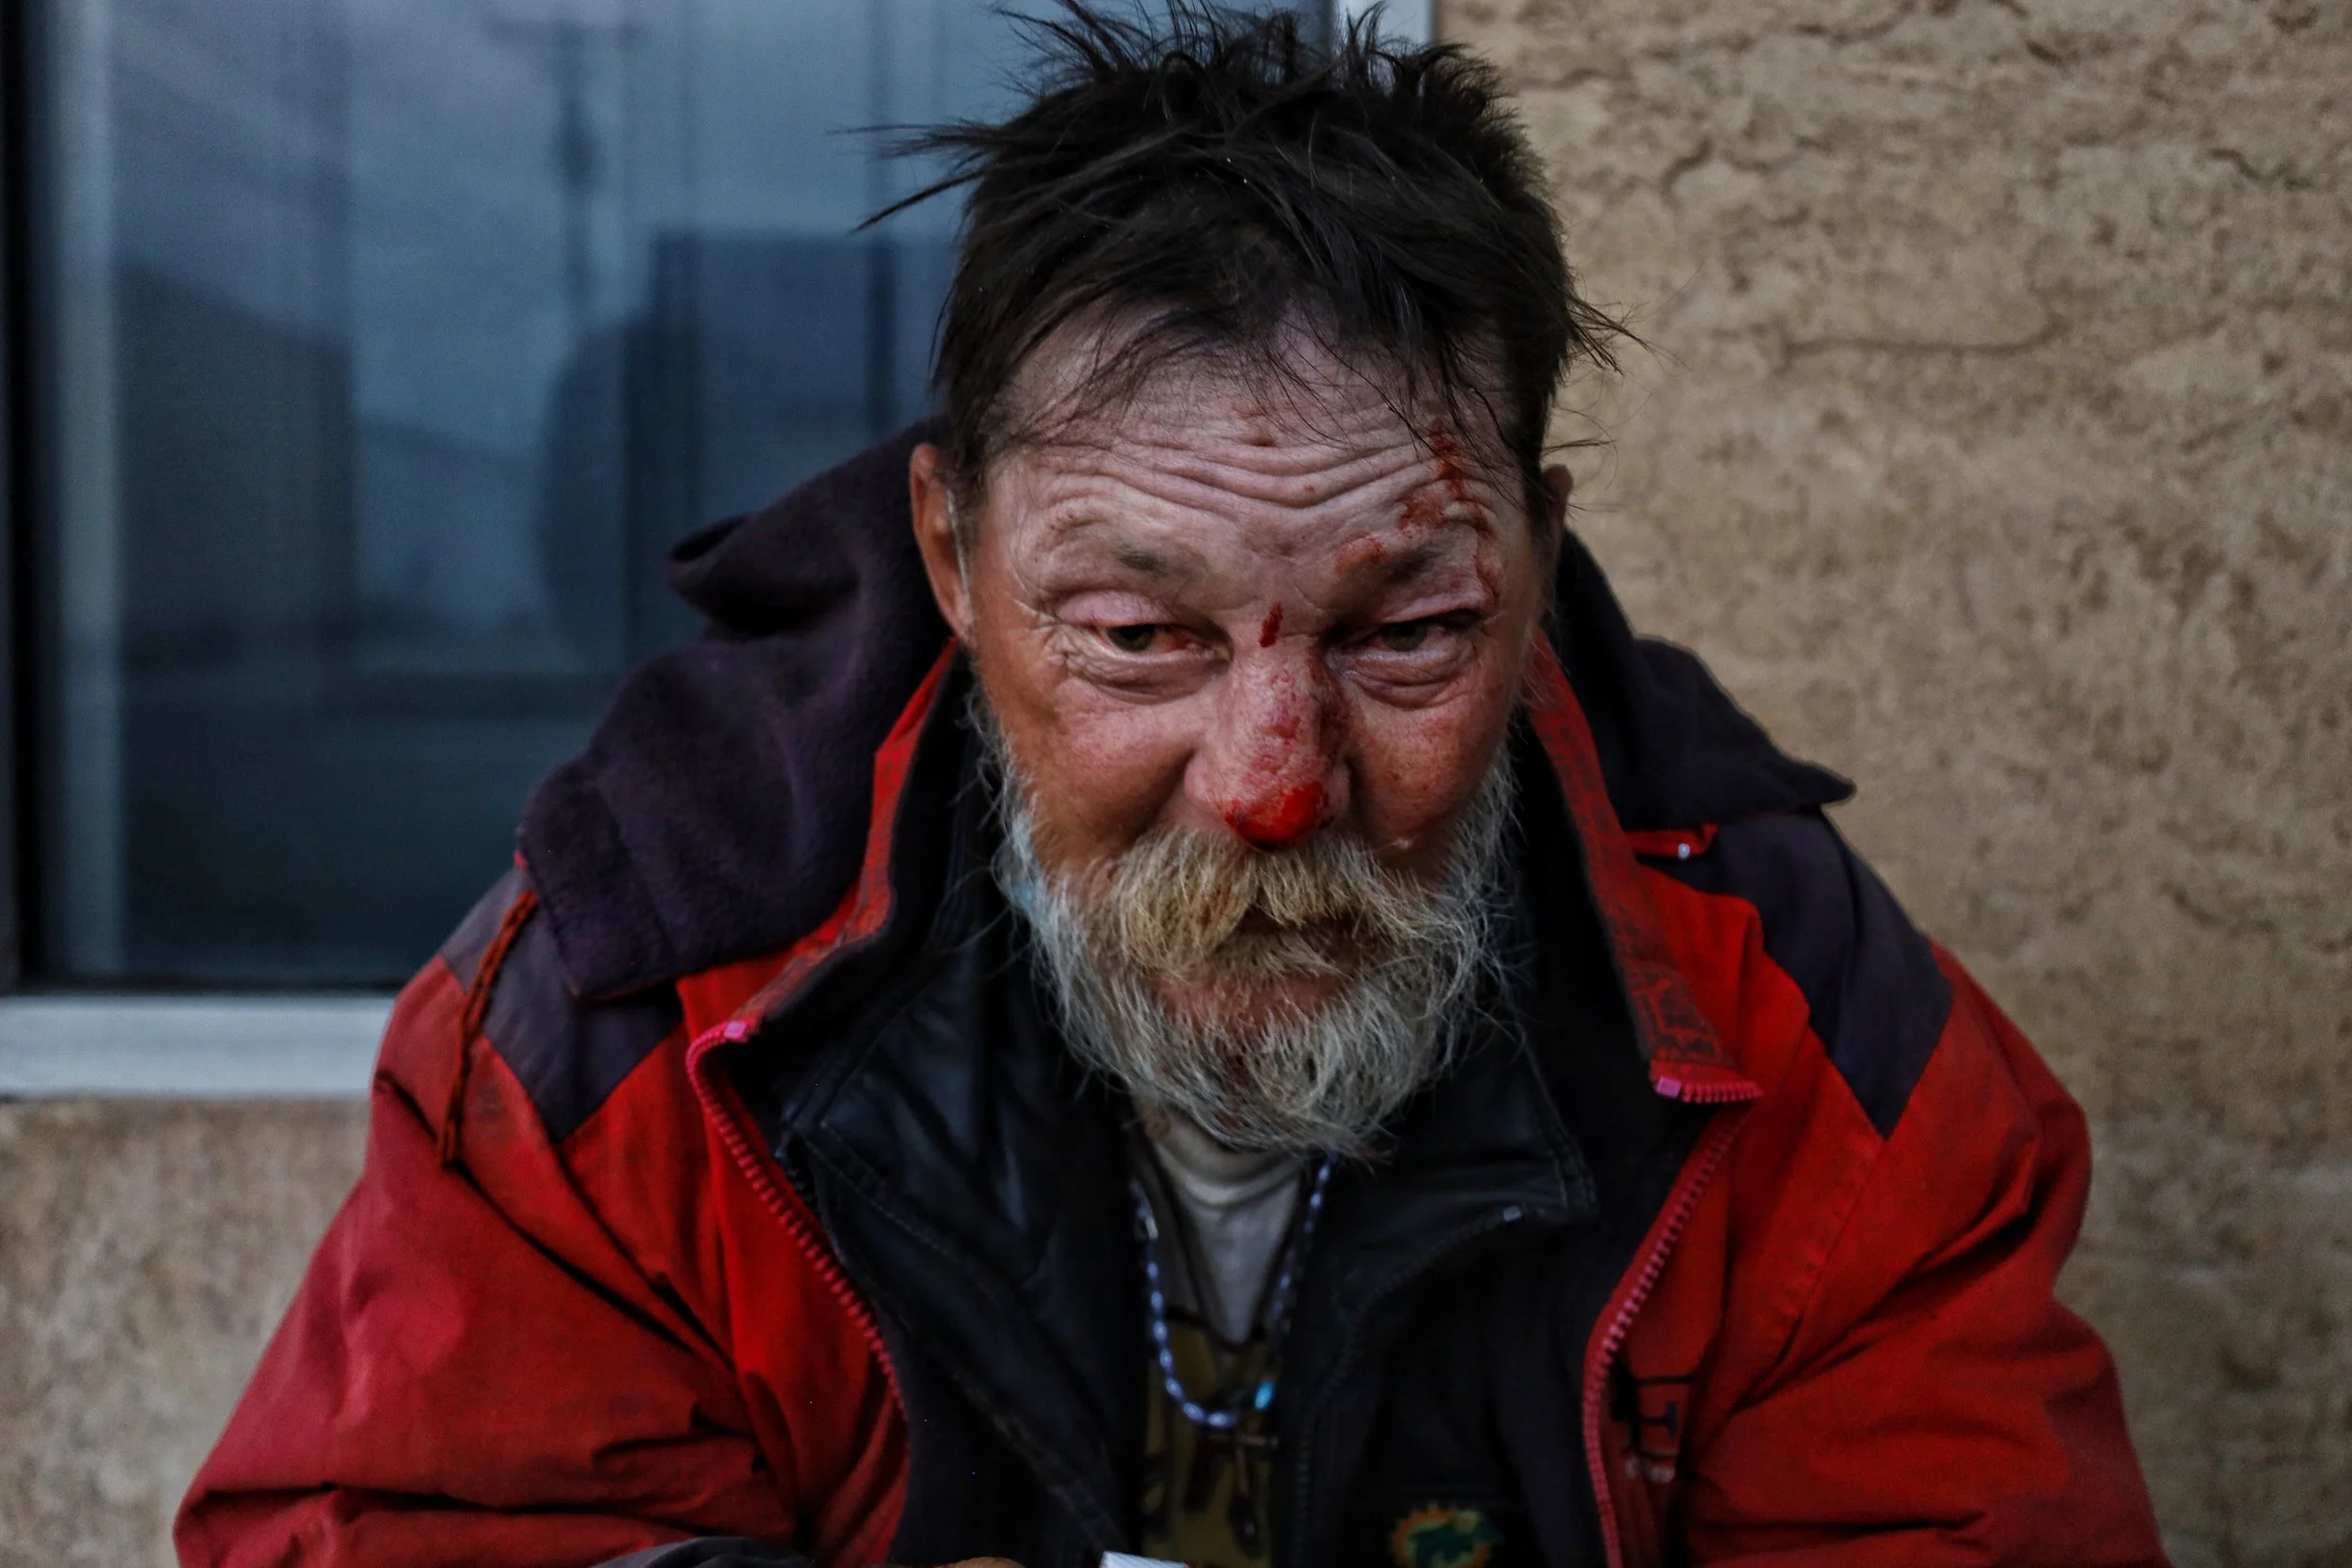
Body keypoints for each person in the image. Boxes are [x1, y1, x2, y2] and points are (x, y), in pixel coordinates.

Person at [178, 8, 2169, 1567]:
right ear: (953, 563)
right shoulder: (637, 1002)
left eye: (1406, 636)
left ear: (1535, 566)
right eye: (1136, 635)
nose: (1272, 786)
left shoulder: (1793, 1016)